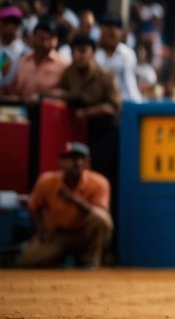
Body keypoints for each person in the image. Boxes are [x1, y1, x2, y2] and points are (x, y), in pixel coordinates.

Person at [50, 35, 121, 210]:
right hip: (77, 131)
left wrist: (87, 113)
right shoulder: (69, 73)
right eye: (75, 52)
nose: (79, 56)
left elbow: (114, 107)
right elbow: (63, 92)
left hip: (102, 132)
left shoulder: (105, 76)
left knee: (100, 175)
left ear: (92, 53)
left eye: (83, 51)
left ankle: (101, 212)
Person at [18, 142, 114, 269]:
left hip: (84, 233)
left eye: (79, 158)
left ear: (87, 163)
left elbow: (100, 213)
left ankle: (90, 259)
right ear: (61, 162)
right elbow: (33, 206)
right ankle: (57, 258)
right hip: (59, 234)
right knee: (27, 261)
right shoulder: (47, 181)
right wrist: (41, 229)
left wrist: (73, 199)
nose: (75, 163)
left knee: (102, 219)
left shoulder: (99, 182)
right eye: (69, 158)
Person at [6, 17, 69, 101]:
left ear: (56, 41)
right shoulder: (21, 61)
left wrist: (42, 96)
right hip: (20, 110)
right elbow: (10, 89)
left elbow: (67, 93)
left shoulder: (63, 65)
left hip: (48, 111)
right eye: (41, 37)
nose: (45, 42)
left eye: (50, 37)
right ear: (33, 38)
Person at [95, 11, 142, 103]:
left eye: (111, 35)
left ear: (120, 34)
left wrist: (135, 105)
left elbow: (130, 85)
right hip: (103, 103)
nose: (108, 37)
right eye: (106, 35)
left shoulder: (127, 54)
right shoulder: (97, 55)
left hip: (126, 102)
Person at [0, 4, 27, 92]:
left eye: (17, 25)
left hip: (11, 100)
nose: (14, 28)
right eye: (7, 23)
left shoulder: (23, 51)